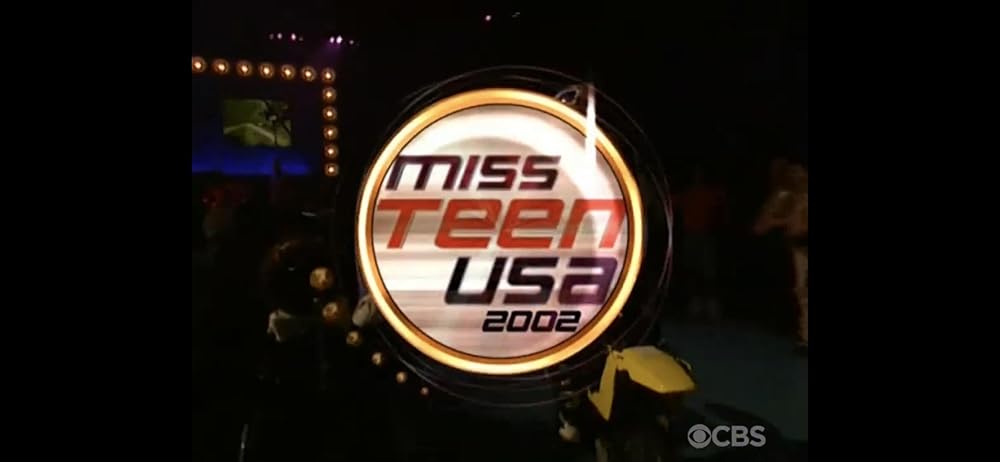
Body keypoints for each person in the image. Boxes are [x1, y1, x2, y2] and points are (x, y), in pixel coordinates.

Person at [754, 161, 808, 352]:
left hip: (802, 241)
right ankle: (805, 336)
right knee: (801, 290)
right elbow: (763, 224)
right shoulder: (786, 195)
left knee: (802, 291)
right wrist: (777, 221)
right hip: (799, 245)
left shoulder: (798, 196)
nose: (797, 176)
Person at [674, 166, 727, 323]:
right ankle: (696, 304)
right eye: (695, 176)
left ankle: (711, 305)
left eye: (700, 175)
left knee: (708, 272)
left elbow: (722, 205)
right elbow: (672, 202)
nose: (698, 178)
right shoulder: (687, 195)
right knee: (693, 270)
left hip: (705, 236)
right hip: (690, 237)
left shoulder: (710, 194)